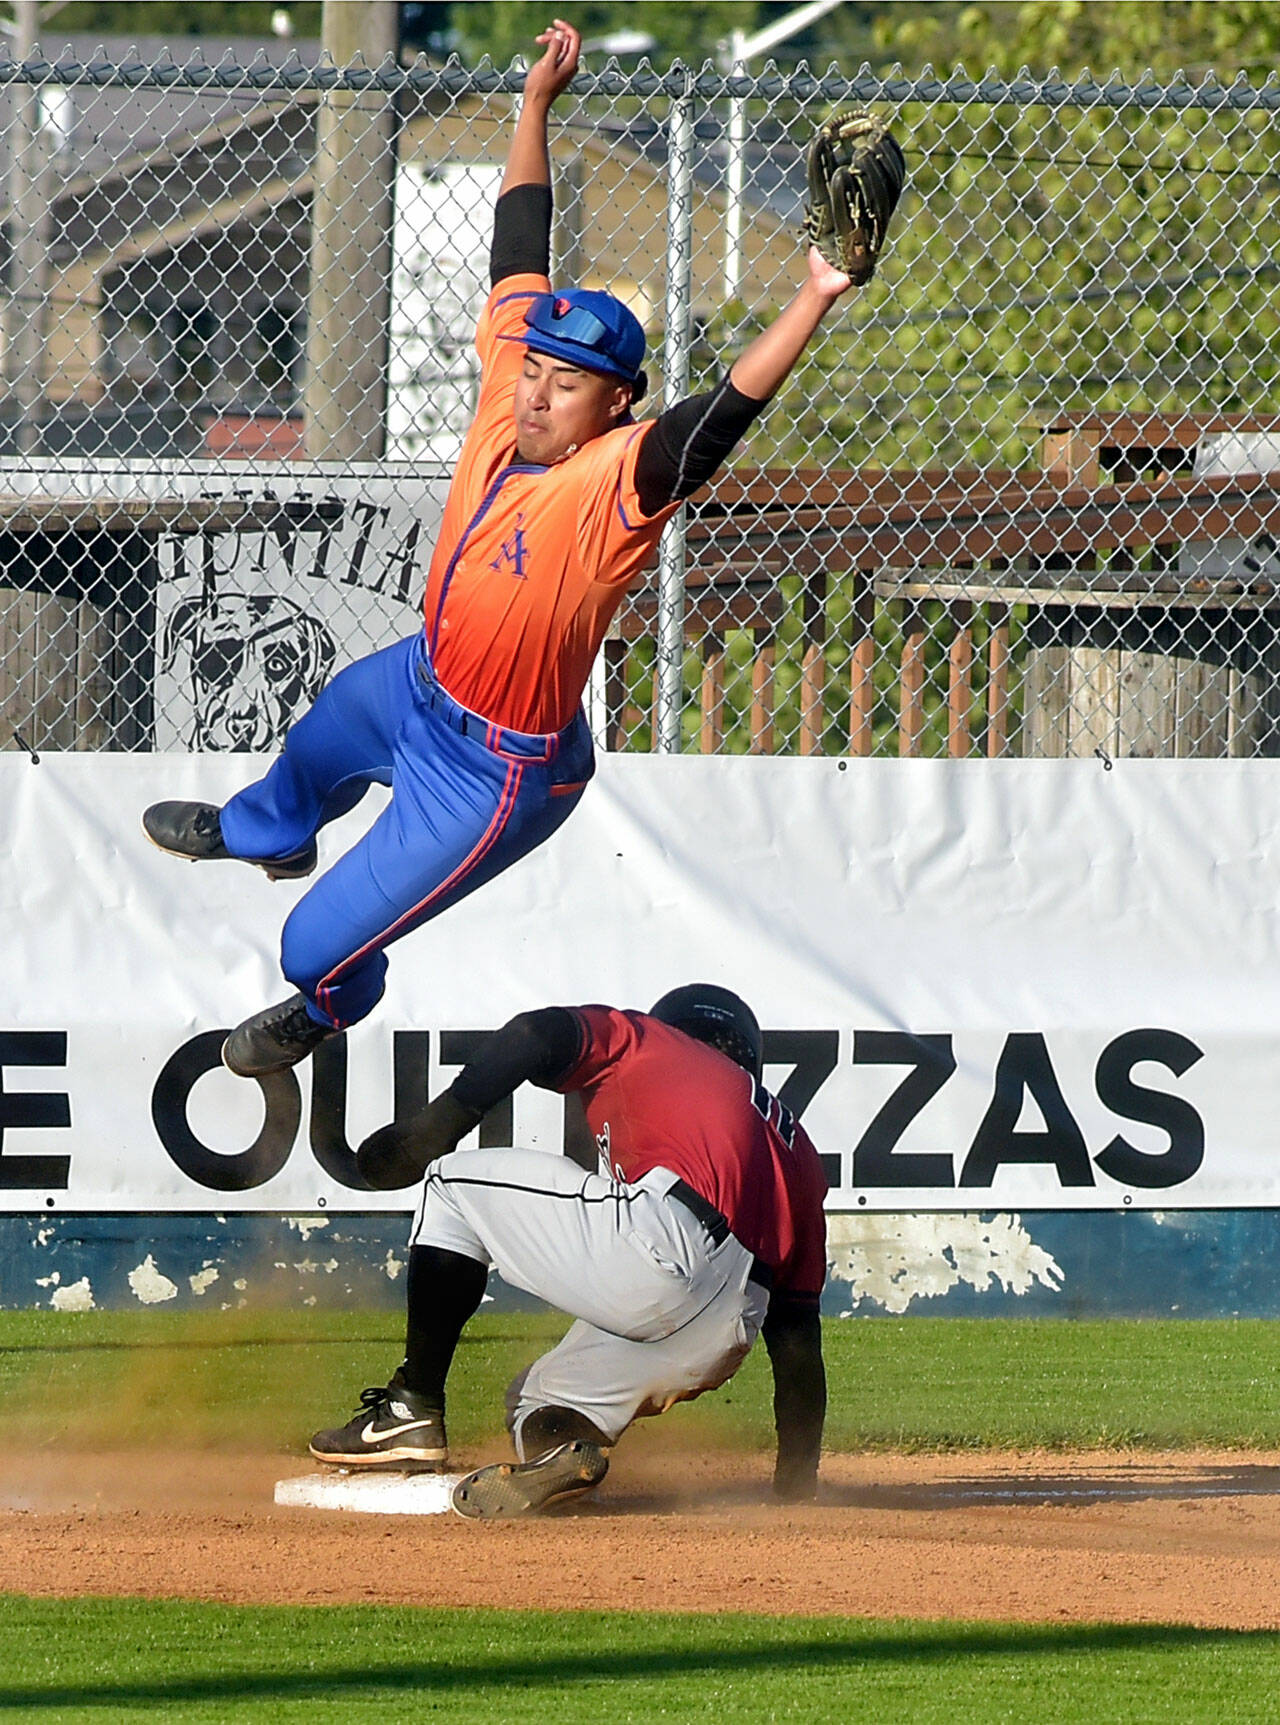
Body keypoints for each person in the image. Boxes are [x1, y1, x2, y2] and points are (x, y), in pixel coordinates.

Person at [142, 18, 859, 1080]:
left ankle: (329, 1005)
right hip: (418, 684)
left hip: (489, 776)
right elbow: (517, 244)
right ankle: (270, 835)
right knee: (315, 745)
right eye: (534, 368)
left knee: (309, 948)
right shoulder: (507, 386)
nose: (534, 388)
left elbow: (715, 423)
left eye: (564, 383)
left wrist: (811, 294)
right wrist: (530, 109)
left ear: (615, 404)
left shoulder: (613, 484)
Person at [308, 983, 828, 1519]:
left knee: (449, 1186)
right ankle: (561, 1459)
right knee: (541, 1400)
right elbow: (797, 1345)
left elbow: (535, 1034)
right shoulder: (800, 1153)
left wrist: (437, 1128)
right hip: (725, 1331)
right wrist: (796, 1488)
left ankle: (409, 1406)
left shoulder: (659, 1044)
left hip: (667, 1244)